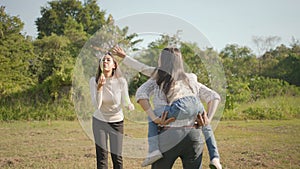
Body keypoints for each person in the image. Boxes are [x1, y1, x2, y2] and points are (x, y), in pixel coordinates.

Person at [113, 46, 222, 169]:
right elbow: (214, 96)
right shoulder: (191, 78)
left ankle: (153, 151)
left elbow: (141, 85)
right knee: (207, 126)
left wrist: (154, 118)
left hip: (169, 133)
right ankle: (215, 157)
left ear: (163, 61)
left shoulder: (158, 77)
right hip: (193, 133)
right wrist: (208, 119)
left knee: (153, 117)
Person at [89, 51, 134, 169]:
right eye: (103, 60)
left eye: (108, 60)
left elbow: (125, 100)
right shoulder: (94, 80)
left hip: (117, 122)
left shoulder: (121, 81)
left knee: (117, 156)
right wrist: (99, 88)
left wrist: (129, 105)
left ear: (114, 65)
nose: (105, 62)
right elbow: (97, 106)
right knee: (102, 156)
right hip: (99, 121)